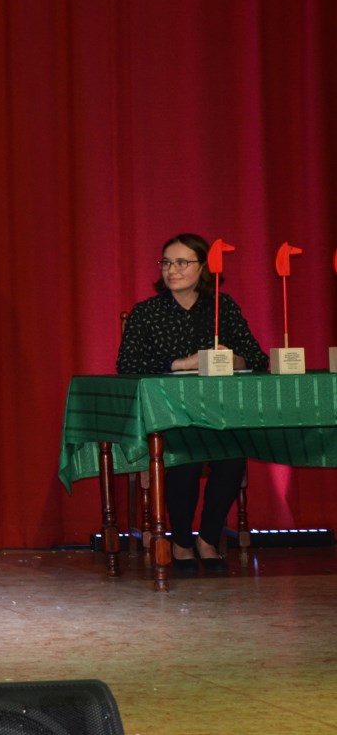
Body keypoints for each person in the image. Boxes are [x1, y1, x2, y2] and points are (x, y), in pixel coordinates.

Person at [116, 232, 268, 571]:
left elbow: (258, 359)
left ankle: (208, 539)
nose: (172, 270)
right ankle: (181, 542)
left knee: (233, 457)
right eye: (167, 262)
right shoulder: (147, 313)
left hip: (217, 416)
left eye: (182, 262)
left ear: (203, 268)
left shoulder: (222, 308)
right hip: (169, 417)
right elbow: (127, 365)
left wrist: (233, 359)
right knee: (183, 457)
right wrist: (180, 364)